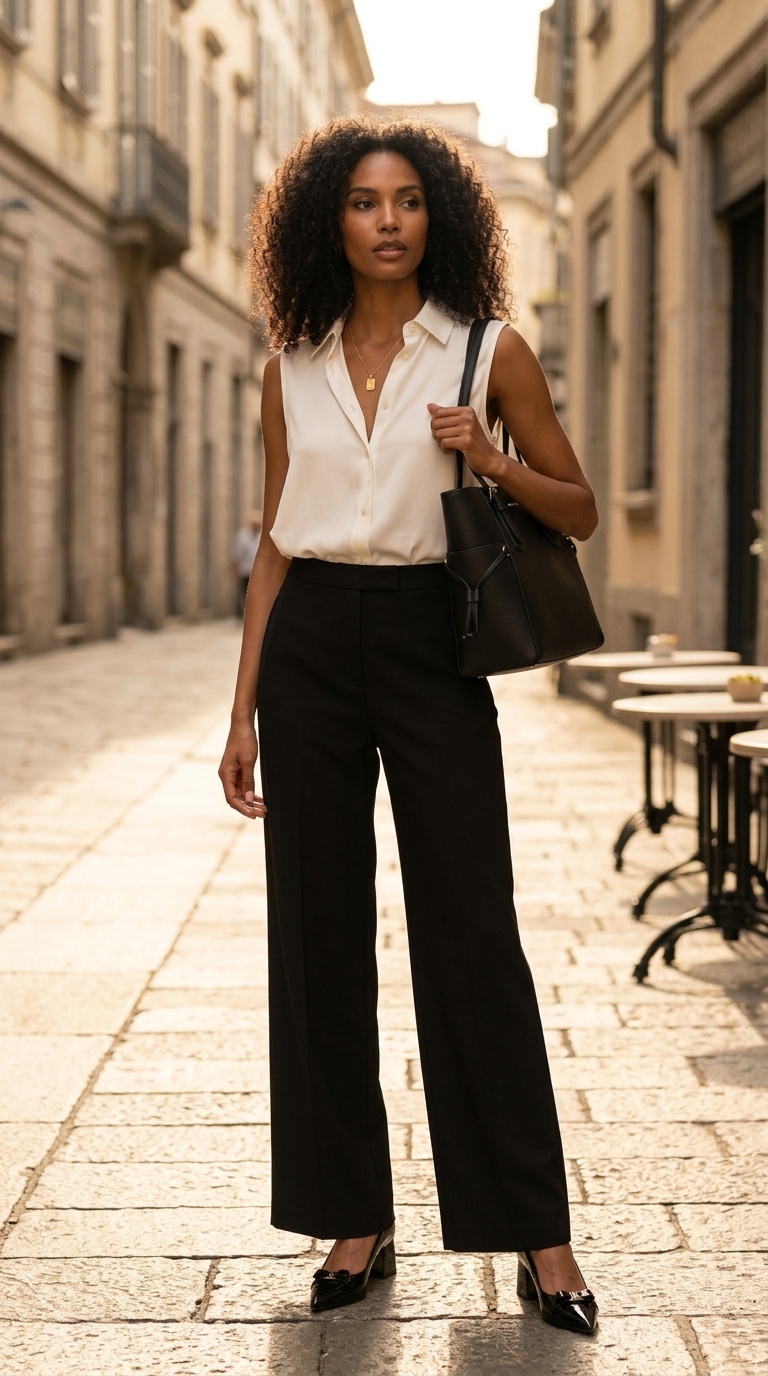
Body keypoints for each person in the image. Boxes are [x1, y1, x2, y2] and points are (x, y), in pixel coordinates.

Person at [218, 117, 599, 1336]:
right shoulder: (290, 364)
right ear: (328, 220)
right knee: (319, 931)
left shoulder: (491, 349)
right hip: (313, 644)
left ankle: (542, 1238)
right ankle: (353, 1218)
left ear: (441, 217)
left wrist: (488, 453)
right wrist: (243, 708)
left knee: (469, 928)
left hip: (440, 644)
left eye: (409, 201)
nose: (387, 220)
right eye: (364, 202)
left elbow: (579, 507)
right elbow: (277, 537)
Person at [231, 510, 263, 616]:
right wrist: (234, 573)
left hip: (258, 572)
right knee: (244, 594)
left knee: (257, 595)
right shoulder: (242, 536)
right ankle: (242, 615)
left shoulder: (262, 536)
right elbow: (236, 556)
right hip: (245, 571)